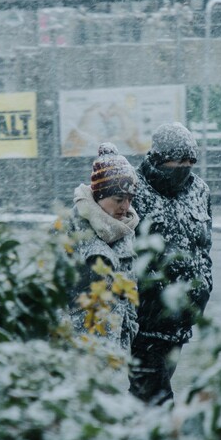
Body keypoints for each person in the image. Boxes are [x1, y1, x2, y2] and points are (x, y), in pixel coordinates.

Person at [129, 122, 212, 405]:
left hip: (182, 321)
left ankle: (134, 438)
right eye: (178, 160)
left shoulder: (199, 191)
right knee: (157, 397)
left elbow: (204, 248)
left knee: (147, 395)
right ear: (159, 158)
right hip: (145, 321)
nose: (185, 167)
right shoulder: (133, 191)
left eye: (191, 161)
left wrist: (203, 289)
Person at [67, 142, 139, 353]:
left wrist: (128, 333)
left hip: (112, 352)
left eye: (129, 199)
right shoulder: (69, 231)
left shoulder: (125, 231)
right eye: (119, 199)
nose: (125, 207)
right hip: (76, 352)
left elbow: (130, 293)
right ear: (99, 196)